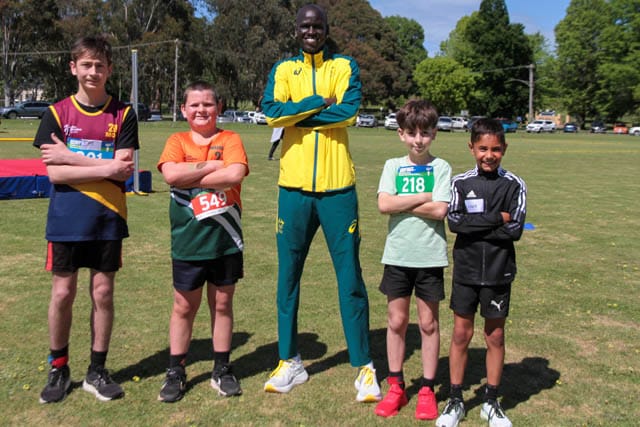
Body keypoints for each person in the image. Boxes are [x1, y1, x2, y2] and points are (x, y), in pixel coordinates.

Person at [260, 3, 381, 402]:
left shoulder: (344, 66)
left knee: (350, 279)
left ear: (326, 30)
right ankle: (289, 361)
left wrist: (296, 116)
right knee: (287, 279)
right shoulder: (283, 70)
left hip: (338, 189)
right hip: (293, 190)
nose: (310, 31)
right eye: (304, 26)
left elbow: (348, 112)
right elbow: (272, 113)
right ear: (296, 30)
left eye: (317, 26)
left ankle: (364, 366)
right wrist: (317, 102)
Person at [33, 35, 139, 403]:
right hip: (65, 218)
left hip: (108, 217)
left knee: (103, 293)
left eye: (100, 65)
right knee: (63, 293)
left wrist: (71, 157)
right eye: (86, 64)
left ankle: (97, 370)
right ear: (73, 67)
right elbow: (55, 174)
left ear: (109, 70)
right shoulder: (56, 113)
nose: (93, 71)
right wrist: (105, 167)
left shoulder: (123, 114)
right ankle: (58, 368)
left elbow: (123, 170)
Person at [156, 81, 249, 403]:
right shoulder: (176, 140)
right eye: (194, 105)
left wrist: (190, 174)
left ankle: (222, 369)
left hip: (225, 239)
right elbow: (170, 175)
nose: (201, 110)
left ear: (218, 107)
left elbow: (234, 175)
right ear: (183, 109)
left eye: (208, 104)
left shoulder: (231, 139)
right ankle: (175, 371)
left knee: (222, 304)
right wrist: (211, 166)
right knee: (184, 306)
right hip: (188, 239)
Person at [436, 118, 526, 427]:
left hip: (499, 273)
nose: (489, 155)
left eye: (496, 149)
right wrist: (497, 218)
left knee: (495, 336)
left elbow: (515, 230)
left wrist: (477, 226)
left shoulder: (515, 185)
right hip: (467, 271)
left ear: (504, 149)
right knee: (461, 334)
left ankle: (491, 401)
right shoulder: (461, 183)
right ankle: (455, 399)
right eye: (483, 148)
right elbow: (455, 223)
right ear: (472, 148)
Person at [373, 100, 451, 420]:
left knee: (428, 324)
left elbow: (440, 210)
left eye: (425, 133)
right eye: (412, 133)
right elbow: (383, 205)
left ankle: (427, 389)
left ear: (434, 134)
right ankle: (396, 387)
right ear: (401, 134)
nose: (419, 140)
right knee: (396, 322)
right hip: (398, 255)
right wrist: (422, 197)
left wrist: (401, 202)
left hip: (430, 256)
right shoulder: (393, 166)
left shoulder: (441, 167)